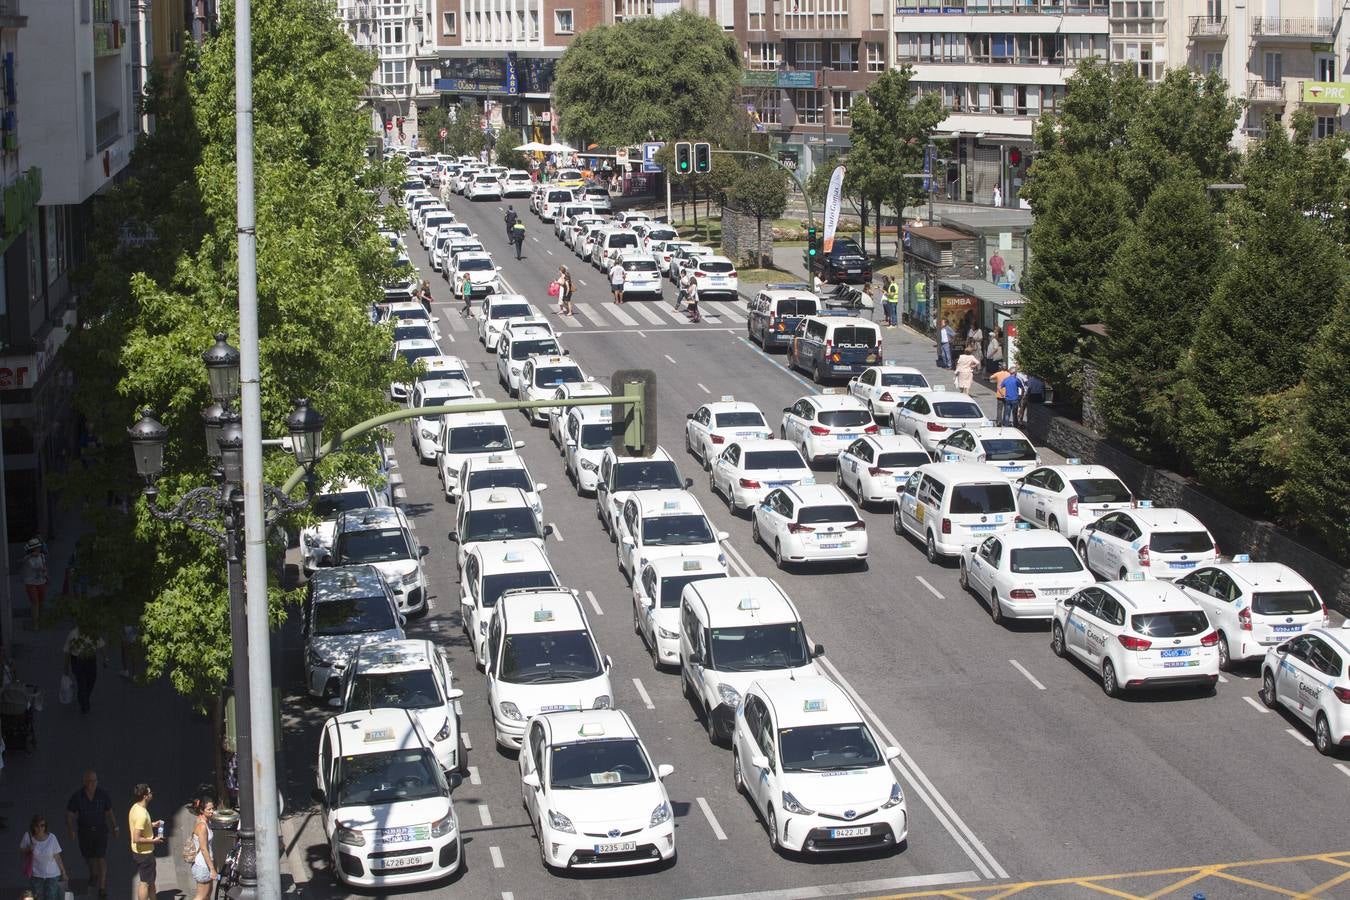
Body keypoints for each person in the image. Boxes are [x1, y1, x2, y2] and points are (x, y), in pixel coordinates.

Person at [66, 771, 117, 899]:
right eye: (89, 781)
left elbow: (109, 811)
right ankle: (93, 873)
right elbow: (70, 815)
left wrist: (115, 827)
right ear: (84, 782)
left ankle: (102, 888)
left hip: (100, 831)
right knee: (88, 857)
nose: (92, 784)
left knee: (100, 857)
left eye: (94, 781)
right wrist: (70, 830)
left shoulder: (102, 795)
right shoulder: (77, 796)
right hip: (84, 832)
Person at [128, 784, 164, 900]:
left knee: (150, 880)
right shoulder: (141, 815)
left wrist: (153, 824)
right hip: (144, 853)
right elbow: (136, 838)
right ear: (145, 796)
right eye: (150, 793)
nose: (151, 794)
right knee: (144, 883)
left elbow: (141, 826)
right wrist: (153, 840)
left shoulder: (135, 807)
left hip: (141, 852)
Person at [19, 814, 67, 900]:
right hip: (36, 874)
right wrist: (29, 848)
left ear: (45, 826)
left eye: (42, 825)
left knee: (51, 897)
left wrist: (63, 872)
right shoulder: (28, 836)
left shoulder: (52, 838)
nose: (40, 828)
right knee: (38, 897)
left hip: (52, 874)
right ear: (33, 826)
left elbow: (57, 856)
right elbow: (22, 851)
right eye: (37, 826)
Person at [62, 625, 104, 715]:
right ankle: (84, 703)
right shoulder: (73, 634)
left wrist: (105, 658)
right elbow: (67, 651)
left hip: (90, 659)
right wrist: (65, 668)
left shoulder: (93, 633)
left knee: (91, 681)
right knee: (82, 682)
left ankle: (84, 697)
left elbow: (101, 644)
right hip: (77, 660)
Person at [186, 791, 217, 899]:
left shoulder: (203, 820)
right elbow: (204, 849)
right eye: (209, 809)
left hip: (204, 865)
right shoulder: (202, 826)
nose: (212, 811)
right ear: (202, 810)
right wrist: (212, 869)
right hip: (203, 866)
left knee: (207, 895)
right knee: (201, 896)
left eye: (212, 808)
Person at [21, 539, 47, 631]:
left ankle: (41, 621)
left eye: (39, 547)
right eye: (38, 547)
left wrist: (46, 574)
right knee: (35, 603)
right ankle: (35, 624)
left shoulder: (42, 556)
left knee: (41, 602)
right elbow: (35, 567)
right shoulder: (28, 558)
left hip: (41, 581)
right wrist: (31, 556)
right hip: (31, 583)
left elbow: (44, 566)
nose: (39, 548)